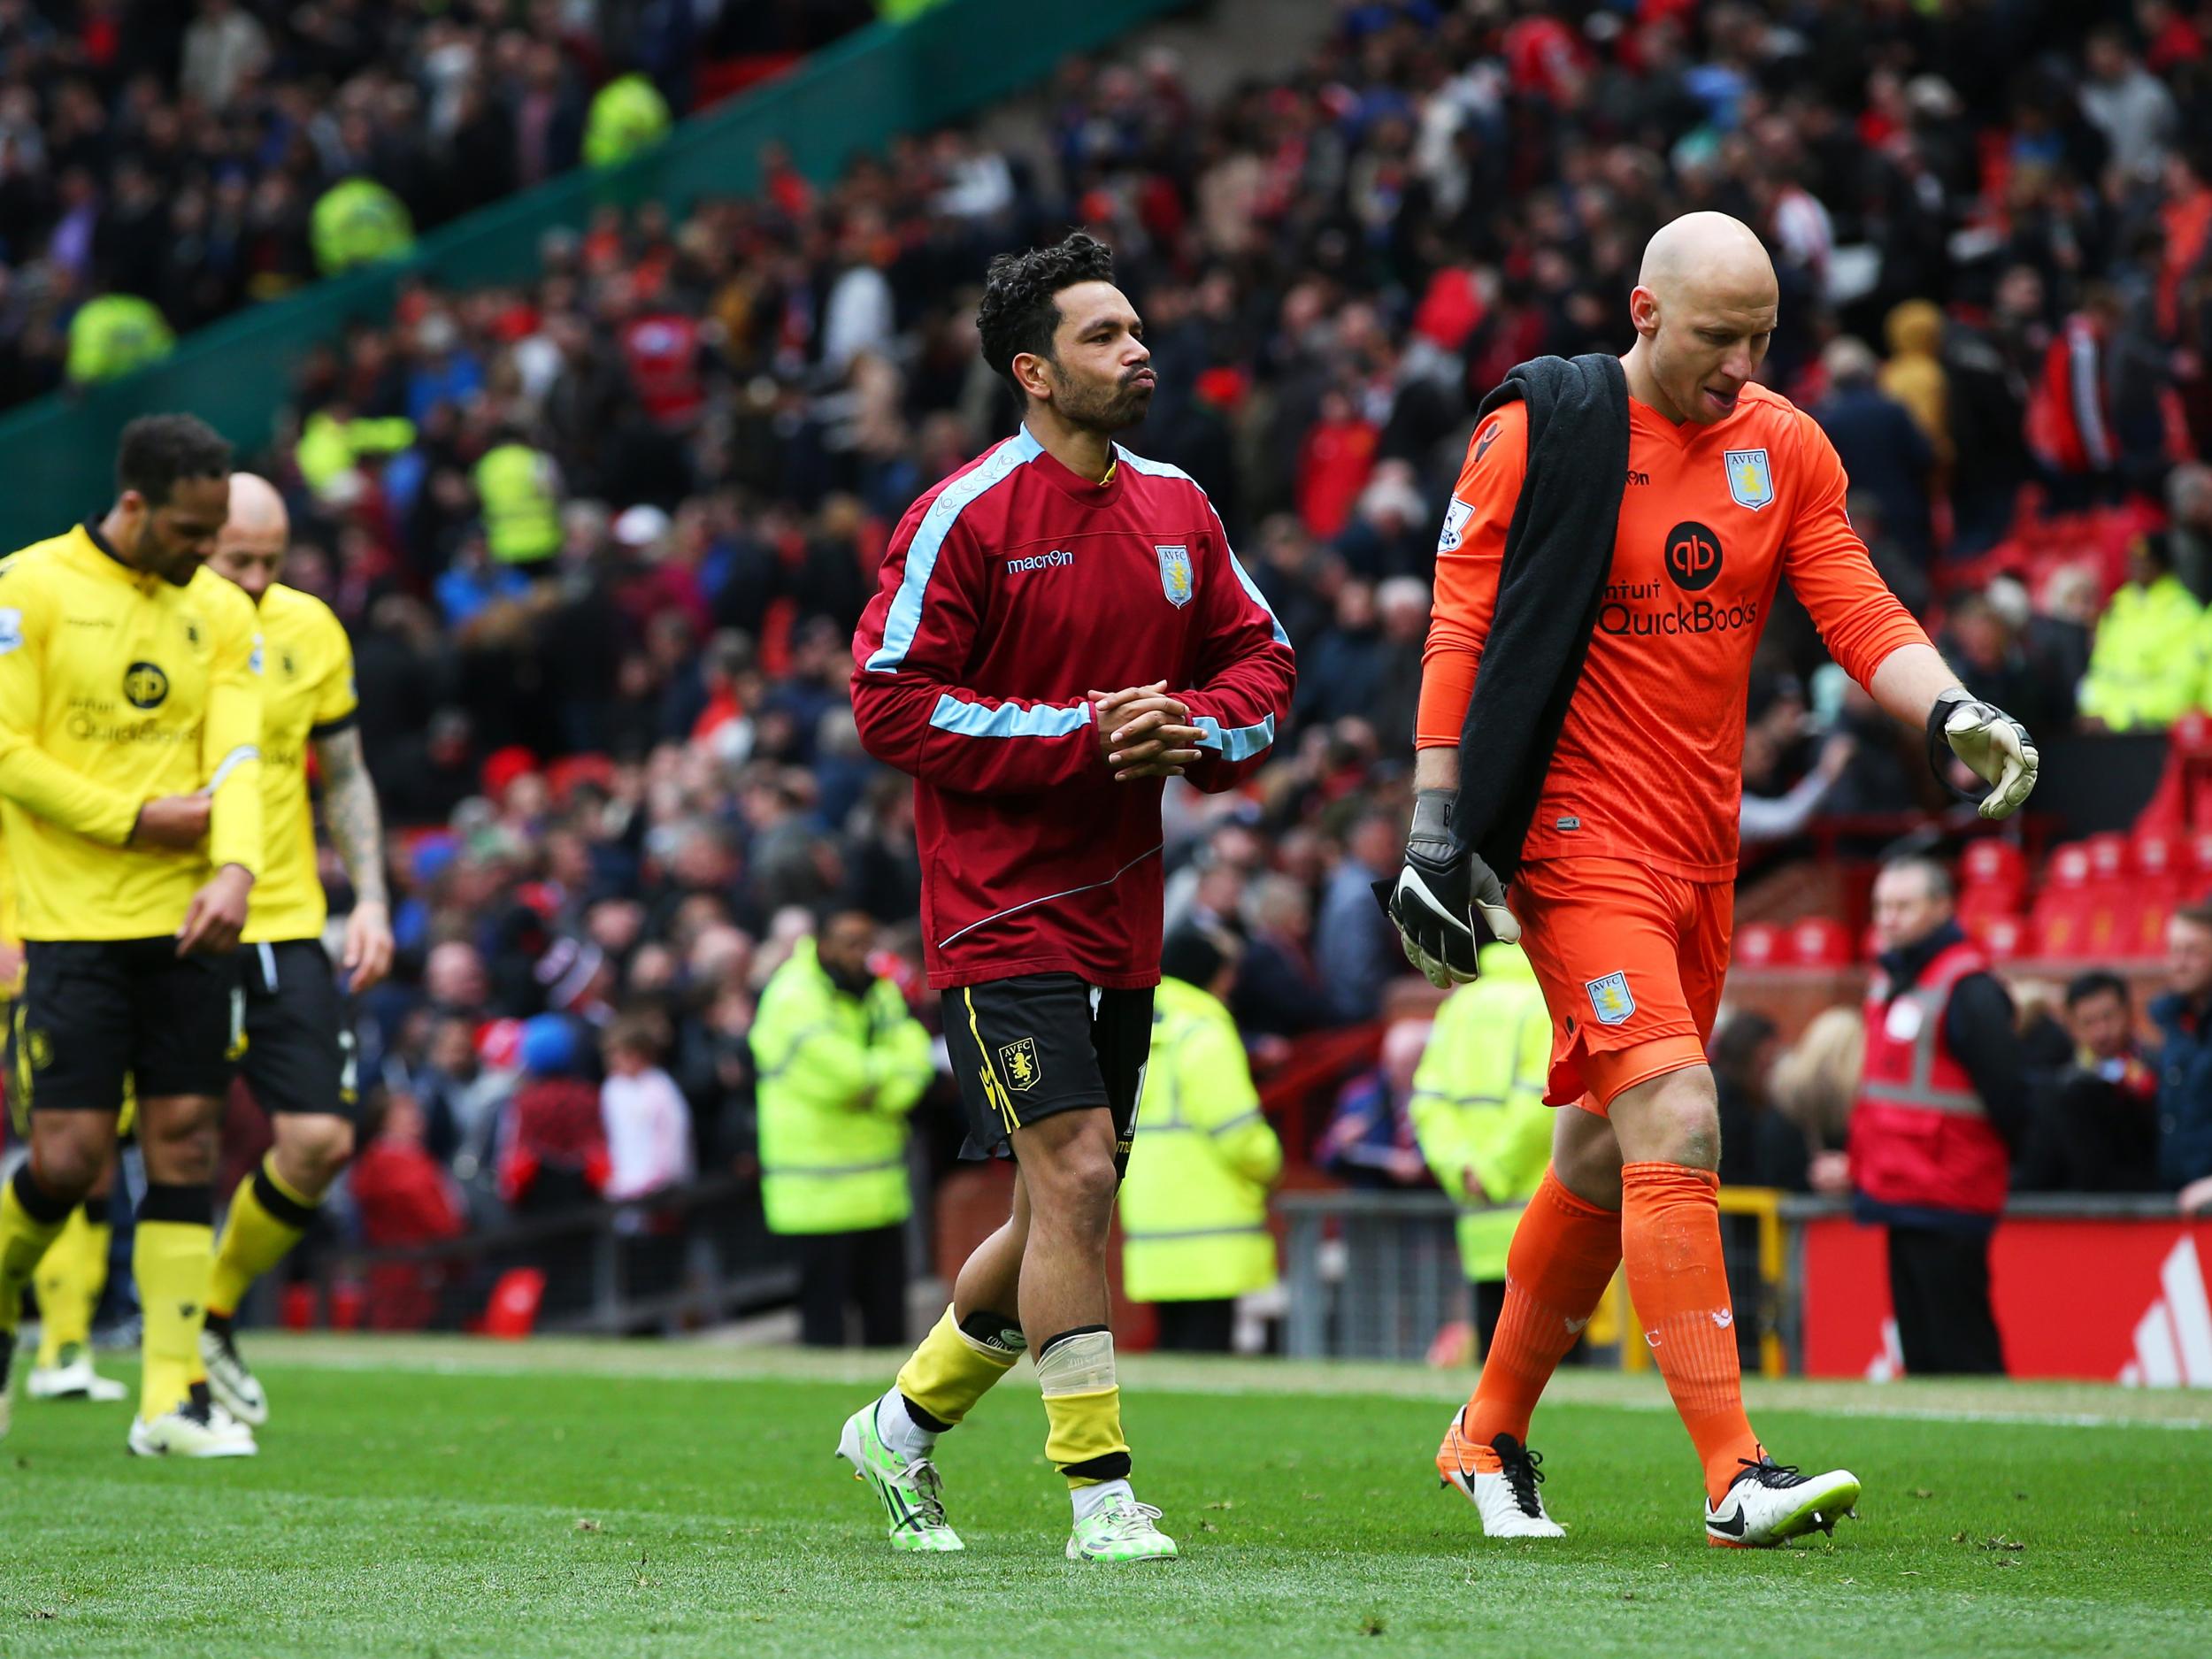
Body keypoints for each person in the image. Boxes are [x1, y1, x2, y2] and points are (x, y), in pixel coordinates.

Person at [1389, 213, 2038, 1547]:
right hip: (1571, 841)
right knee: (1679, 1110)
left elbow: (1855, 604)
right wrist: (1432, 826)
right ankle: (1734, 1471)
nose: (1741, 365)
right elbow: (1459, 624)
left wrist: (1949, 710)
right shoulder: (1539, 430)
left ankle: (1487, 1432)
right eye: (1715, 337)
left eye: (1761, 338)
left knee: (1600, 1151)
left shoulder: (1783, 444)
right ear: (1642, 311)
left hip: (1704, 849)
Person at [841, 232, 1295, 1561]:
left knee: (1061, 1207)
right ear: (1032, 372)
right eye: (1104, 335)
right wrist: (1079, 735)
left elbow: (1262, 663)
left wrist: (1198, 733)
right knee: (1081, 1172)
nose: (1138, 349)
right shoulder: (964, 514)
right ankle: (1099, 1489)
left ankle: (900, 1426)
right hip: (994, 910)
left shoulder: (1181, 508)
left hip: (1124, 912)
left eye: (1138, 328)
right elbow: (887, 696)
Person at [0, 415, 265, 1455]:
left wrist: (237, 866)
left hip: (187, 922)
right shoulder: (29, 588)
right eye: (192, 531)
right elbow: (7, 750)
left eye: (219, 532)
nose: (208, 552)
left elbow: (238, 759)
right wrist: (131, 819)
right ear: (135, 505)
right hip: (68, 924)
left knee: (185, 1144)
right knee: (65, 1160)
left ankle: (170, 1398)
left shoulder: (221, 613)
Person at [169, 474, 391, 1431]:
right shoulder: (155, 627)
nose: (258, 579)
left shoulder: (311, 628)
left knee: (319, 1141)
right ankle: (60, 1335)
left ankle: (208, 1317)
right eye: (237, 560)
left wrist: (372, 897)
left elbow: (342, 771)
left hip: (288, 915)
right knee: (102, 1150)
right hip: (165, 919)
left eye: (273, 559)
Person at [1847, 856, 2027, 1375]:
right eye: (1881, 906)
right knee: (1923, 1354)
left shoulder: (1968, 988)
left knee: (1962, 1349)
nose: (1888, 917)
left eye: (1904, 905)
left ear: (1943, 908)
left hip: (1951, 1191)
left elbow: (2009, 1096)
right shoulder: (1892, 980)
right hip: (1901, 1192)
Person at [749, 911, 933, 1348]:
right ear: (823, 944)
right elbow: (845, 1076)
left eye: (868, 943)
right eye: (851, 943)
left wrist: (884, 1086)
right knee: (823, 1338)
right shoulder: (792, 995)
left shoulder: (878, 990)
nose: (863, 954)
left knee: (888, 1337)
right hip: (816, 1198)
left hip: (880, 1192)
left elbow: (916, 1055)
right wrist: (889, 1078)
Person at [1118, 926, 1283, 1353]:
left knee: (1175, 1358)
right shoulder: (1204, 1031)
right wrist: (1269, 1160)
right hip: (1213, 1231)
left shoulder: (1135, 1025)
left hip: (1152, 1224)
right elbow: (1237, 1132)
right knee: (1210, 1351)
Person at [1407, 941, 1555, 1356]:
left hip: (1477, 1211)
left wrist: (1462, 1168)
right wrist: (1496, 1169)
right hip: (1539, 1205)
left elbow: (1428, 1102)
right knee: (1552, 1359)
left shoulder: (1458, 1007)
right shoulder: (1542, 1004)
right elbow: (1546, 1102)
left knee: (1496, 1357)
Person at [2016, 971, 2160, 1193]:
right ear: (2072, 1027)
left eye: (2108, 1017)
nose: (2102, 1032)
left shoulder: (2161, 1071)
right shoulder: (2059, 1086)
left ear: (2129, 1013)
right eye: (2089, 1022)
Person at [2152, 904, 2212, 1199]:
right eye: (2173, 951)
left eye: (2192, 951)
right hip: (2175, 1202)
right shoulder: (2169, 1024)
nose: (2179, 963)